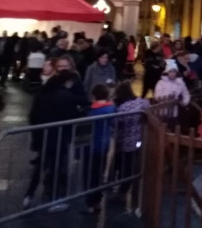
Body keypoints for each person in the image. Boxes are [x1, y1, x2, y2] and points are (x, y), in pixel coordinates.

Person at [27, 69, 87, 213]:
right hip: (59, 139)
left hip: (43, 137)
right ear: (67, 82)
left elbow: (32, 115)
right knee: (57, 168)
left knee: (41, 167)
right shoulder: (66, 96)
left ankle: (28, 196)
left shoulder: (42, 93)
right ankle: (55, 200)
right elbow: (74, 115)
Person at [113, 81, 149, 204]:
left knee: (124, 165)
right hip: (138, 139)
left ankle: (122, 188)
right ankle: (125, 187)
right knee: (132, 162)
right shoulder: (141, 102)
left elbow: (116, 122)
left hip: (123, 141)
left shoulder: (122, 108)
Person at [83, 83, 116, 215]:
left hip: (91, 146)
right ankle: (98, 200)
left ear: (94, 96)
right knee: (100, 173)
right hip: (104, 145)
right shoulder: (111, 109)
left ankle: (90, 203)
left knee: (89, 175)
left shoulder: (91, 111)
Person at [154, 59, 190, 131]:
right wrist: (169, 94)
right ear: (167, 72)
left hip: (174, 112)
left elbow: (186, 93)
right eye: (171, 71)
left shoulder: (180, 82)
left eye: (174, 71)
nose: (173, 73)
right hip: (162, 112)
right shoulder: (161, 82)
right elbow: (157, 95)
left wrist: (184, 102)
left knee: (172, 130)